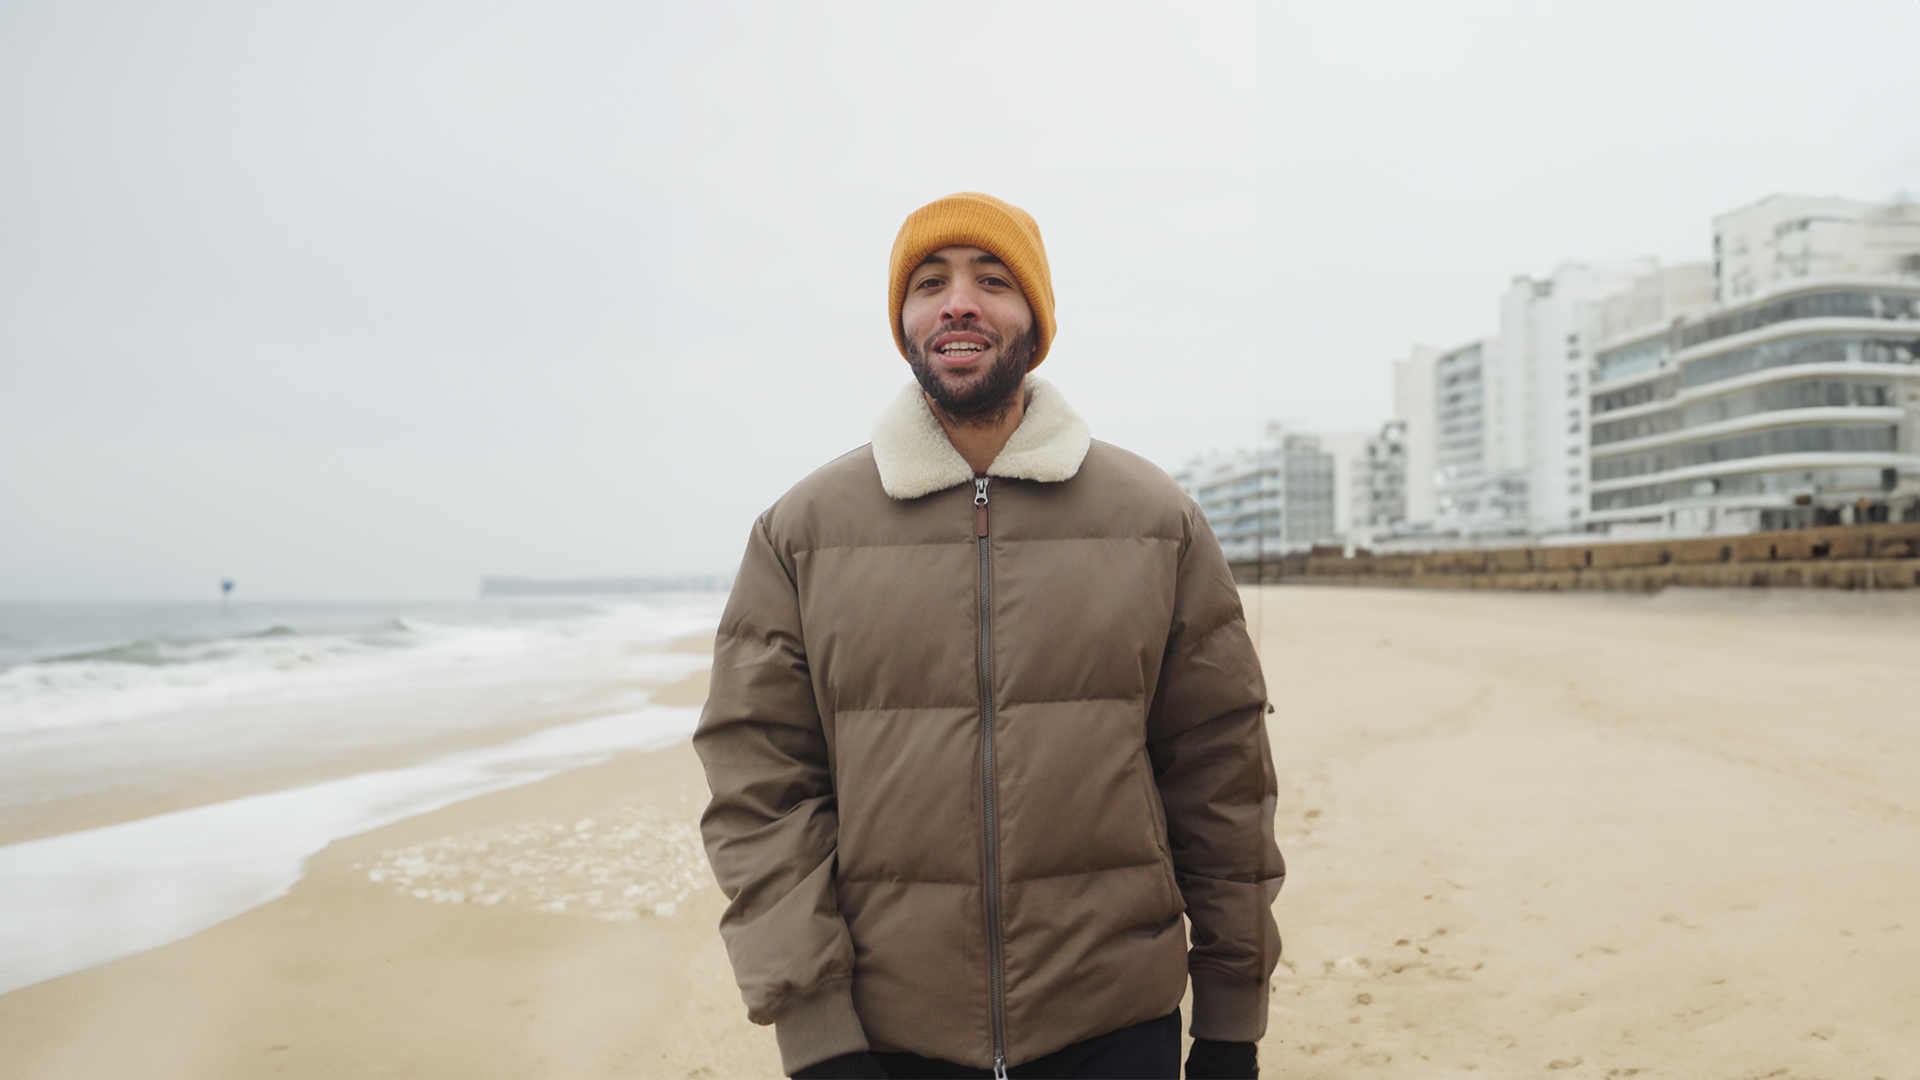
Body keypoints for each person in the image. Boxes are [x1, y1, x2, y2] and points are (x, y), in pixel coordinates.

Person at [694, 192, 1285, 1080]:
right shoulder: (801, 532)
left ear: (1035, 322)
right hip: (886, 1038)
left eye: (992, 281)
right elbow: (761, 786)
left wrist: (1232, 1018)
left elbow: (1223, 773)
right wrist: (814, 1028)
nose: (957, 302)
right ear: (905, 323)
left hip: (1117, 1025)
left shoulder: (1155, 519)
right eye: (929, 282)